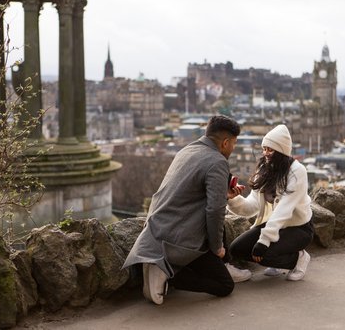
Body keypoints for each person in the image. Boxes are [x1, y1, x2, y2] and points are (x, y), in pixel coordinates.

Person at [122, 115, 248, 305]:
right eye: (234, 144)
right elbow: (214, 211)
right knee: (224, 286)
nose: (233, 149)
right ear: (225, 142)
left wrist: (224, 194)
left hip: (158, 228)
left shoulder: (186, 150)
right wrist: (217, 249)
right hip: (179, 238)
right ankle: (169, 275)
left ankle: (164, 266)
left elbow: (189, 195)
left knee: (216, 212)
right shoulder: (218, 162)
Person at [227, 124, 314, 281]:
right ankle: (278, 256)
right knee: (237, 249)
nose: (265, 153)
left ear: (282, 151)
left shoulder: (297, 172)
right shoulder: (265, 169)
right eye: (264, 148)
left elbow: (284, 210)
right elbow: (252, 206)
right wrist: (232, 199)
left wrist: (264, 240)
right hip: (275, 226)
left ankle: (299, 257)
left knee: (265, 253)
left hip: (298, 228)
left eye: (270, 149)